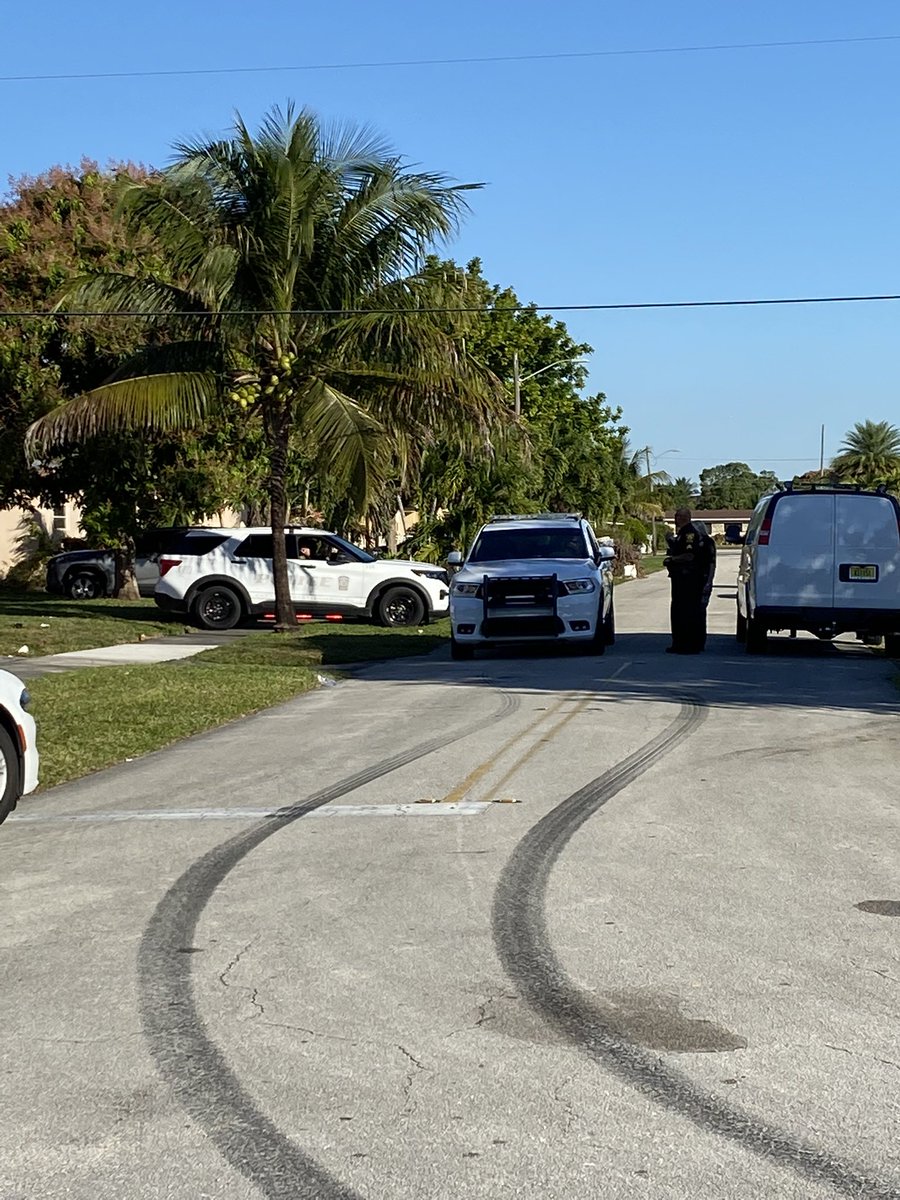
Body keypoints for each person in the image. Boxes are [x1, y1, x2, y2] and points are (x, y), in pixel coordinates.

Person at [663, 508, 716, 654]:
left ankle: (688, 644)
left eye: (678, 516)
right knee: (680, 612)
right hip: (681, 579)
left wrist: (672, 559)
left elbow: (689, 555)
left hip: (688, 579)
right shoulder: (682, 533)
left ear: (685, 517)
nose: (675, 518)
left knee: (687, 612)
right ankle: (680, 643)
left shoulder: (689, 534)